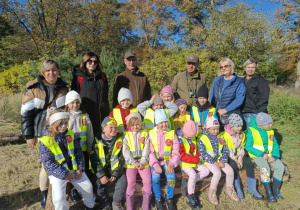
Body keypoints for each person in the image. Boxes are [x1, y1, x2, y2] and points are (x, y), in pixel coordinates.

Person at [21, 59, 68, 208]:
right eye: (48, 70)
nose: (51, 73)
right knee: (45, 163)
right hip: (41, 132)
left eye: (54, 70)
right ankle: (44, 191)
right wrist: (29, 136)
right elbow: (26, 114)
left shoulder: (63, 88)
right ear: (43, 72)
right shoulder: (33, 88)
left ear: (58, 71)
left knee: (61, 159)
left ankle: (60, 191)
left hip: (59, 131)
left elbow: (67, 111)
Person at [38, 111, 95, 210]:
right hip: (57, 172)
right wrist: (65, 174)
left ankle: (90, 205)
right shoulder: (45, 140)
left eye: (65, 123)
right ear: (53, 123)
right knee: (59, 199)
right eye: (60, 123)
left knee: (88, 188)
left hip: (73, 167)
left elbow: (78, 152)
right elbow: (48, 163)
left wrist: (79, 169)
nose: (64, 126)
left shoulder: (69, 133)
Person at [219, 114, 263, 199]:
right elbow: (225, 150)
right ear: (232, 125)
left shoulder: (242, 134)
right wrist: (235, 159)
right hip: (228, 156)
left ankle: (252, 189)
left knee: (249, 163)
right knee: (233, 166)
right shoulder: (224, 135)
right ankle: (238, 188)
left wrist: (240, 157)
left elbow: (242, 147)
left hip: (239, 155)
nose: (240, 128)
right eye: (237, 126)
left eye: (241, 126)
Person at [198, 117, 239, 205]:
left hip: (219, 160)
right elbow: (202, 152)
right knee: (217, 173)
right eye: (213, 129)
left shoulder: (220, 137)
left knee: (230, 171)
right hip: (208, 161)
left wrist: (223, 161)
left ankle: (229, 189)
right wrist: (213, 162)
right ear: (208, 129)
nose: (216, 131)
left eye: (217, 129)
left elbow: (224, 150)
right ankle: (212, 192)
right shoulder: (203, 138)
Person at [245, 113, 284, 202]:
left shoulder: (270, 131)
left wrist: (274, 156)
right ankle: (269, 192)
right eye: (269, 123)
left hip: (269, 154)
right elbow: (248, 146)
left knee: (280, 167)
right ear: (261, 124)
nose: (271, 125)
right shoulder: (252, 131)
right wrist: (262, 154)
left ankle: (276, 190)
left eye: (271, 123)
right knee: (265, 168)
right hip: (257, 155)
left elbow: (275, 145)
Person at [90, 117, 127, 210]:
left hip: (115, 169)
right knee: (97, 184)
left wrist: (115, 174)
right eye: (111, 127)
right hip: (102, 169)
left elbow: (121, 159)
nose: (114, 130)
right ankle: (105, 203)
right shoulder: (97, 141)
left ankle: (116, 203)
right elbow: (95, 160)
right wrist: (101, 175)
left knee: (123, 182)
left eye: (115, 127)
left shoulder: (120, 139)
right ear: (103, 129)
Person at [64, 90, 94, 202]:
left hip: (83, 150)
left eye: (77, 102)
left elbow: (90, 133)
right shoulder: (66, 117)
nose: (75, 105)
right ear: (67, 104)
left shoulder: (85, 117)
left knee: (83, 170)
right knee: (71, 170)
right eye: (72, 103)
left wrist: (90, 147)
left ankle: (82, 190)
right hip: (70, 152)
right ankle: (72, 190)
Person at [149, 109, 180, 210]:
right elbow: (150, 152)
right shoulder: (151, 134)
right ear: (157, 123)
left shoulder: (172, 133)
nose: (164, 124)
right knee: (155, 178)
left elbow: (176, 151)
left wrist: (171, 164)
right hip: (155, 162)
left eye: (165, 122)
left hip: (168, 161)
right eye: (161, 122)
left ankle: (170, 198)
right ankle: (158, 199)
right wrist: (155, 164)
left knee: (171, 178)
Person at [71, 52, 109, 135]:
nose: (93, 64)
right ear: (84, 62)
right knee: (87, 138)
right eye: (90, 61)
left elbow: (106, 95)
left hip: (101, 112)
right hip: (86, 113)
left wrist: (106, 110)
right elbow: (74, 97)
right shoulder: (78, 77)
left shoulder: (102, 76)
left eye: (95, 62)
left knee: (101, 138)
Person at [122, 113, 151, 210]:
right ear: (129, 124)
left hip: (144, 163)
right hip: (131, 164)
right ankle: (129, 206)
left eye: (137, 124)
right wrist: (133, 162)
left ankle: (146, 206)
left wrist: (142, 162)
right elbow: (125, 151)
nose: (135, 127)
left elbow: (147, 149)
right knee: (131, 182)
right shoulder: (125, 135)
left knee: (147, 181)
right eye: (132, 124)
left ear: (141, 123)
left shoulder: (145, 133)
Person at [178, 120, 210, 209]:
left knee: (206, 170)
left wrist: (198, 156)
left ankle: (190, 183)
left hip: (194, 161)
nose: (190, 137)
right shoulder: (181, 140)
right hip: (185, 163)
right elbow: (182, 156)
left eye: (192, 136)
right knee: (192, 174)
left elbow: (196, 150)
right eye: (189, 135)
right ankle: (190, 196)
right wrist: (196, 159)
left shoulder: (192, 138)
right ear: (184, 132)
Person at [210, 58, 246, 127]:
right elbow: (212, 96)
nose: (223, 68)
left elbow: (239, 99)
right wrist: (212, 111)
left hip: (232, 116)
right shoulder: (217, 80)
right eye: (221, 67)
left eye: (226, 66)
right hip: (217, 114)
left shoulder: (238, 82)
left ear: (231, 66)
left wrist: (225, 110)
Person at [241, 59, 270, 129]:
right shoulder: (241, 81)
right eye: (248, 67)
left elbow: (264, 98)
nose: (250, 69)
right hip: (243, 112)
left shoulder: (261, 81)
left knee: (255, 133)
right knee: (246, 134)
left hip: (255, 112)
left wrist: (259, 113)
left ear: (255, 68)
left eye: (252, 67)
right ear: (245, 68)